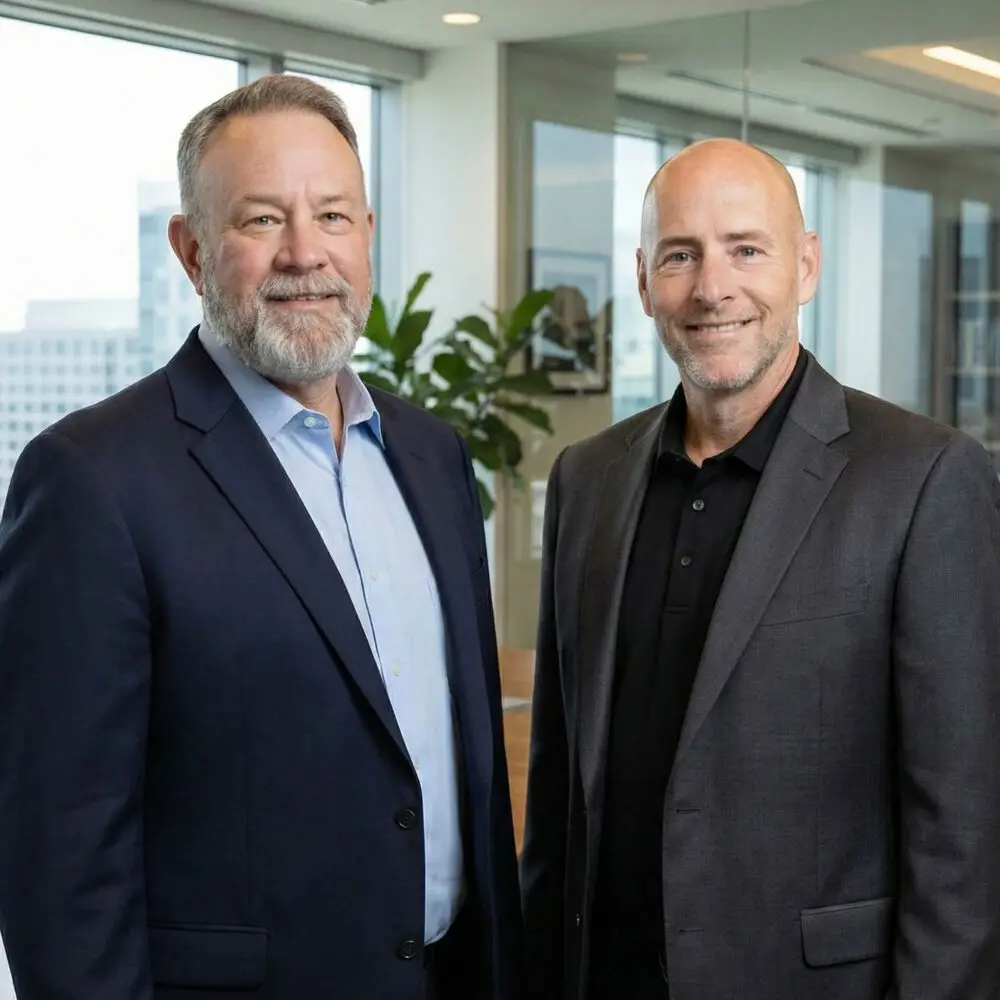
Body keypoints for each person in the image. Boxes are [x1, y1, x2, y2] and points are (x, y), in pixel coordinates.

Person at [0, 74, 522, 1000]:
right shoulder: (91, 479)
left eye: (332, 215)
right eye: (260, 220)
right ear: (191, 250)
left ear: (368, 236)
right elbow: (59, 858)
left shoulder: (433, 457)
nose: (304, 254)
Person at [520, 137, 1000, 1000]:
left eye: (747, 249)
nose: (712, 287)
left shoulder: (926, 477)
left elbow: (962, 828)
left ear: (806, 267)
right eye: (680, 255)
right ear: (642, 279)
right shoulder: (586, 479)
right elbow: (560, 802)